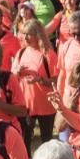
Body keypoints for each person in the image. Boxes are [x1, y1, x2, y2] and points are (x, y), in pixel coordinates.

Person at [13, 19, 59, 149]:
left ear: (37, 35)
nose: (25, 38)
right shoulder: (21, 53)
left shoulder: (48, 54)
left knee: (47, 141)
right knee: (25, 138)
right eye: (24, 34)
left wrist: (40, 80)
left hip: (46, 106)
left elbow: (56, 81)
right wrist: (16, 72)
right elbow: (12, 78)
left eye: (29, 34)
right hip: (26, 105)